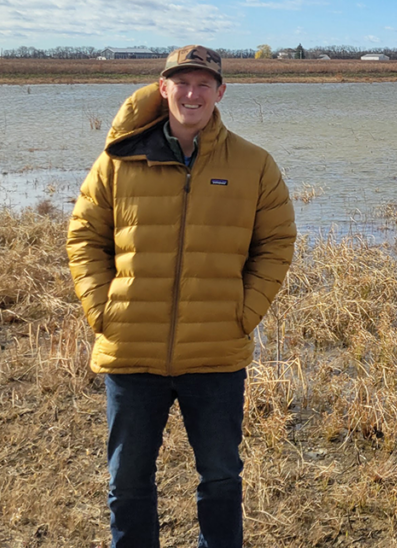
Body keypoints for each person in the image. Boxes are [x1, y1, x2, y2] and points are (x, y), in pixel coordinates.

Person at [66, 45, 296, 547]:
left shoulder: (254, 165)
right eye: (182, 82)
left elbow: (277, 242)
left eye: (203, 84)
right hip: (131, 352)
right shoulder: (118, 159)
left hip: (215, 355)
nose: (192, 93)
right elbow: (84, 235)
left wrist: (243, 312)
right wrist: (102, 310)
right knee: (127, 481)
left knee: (220, 479)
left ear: (220, 92)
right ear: (163, 87)